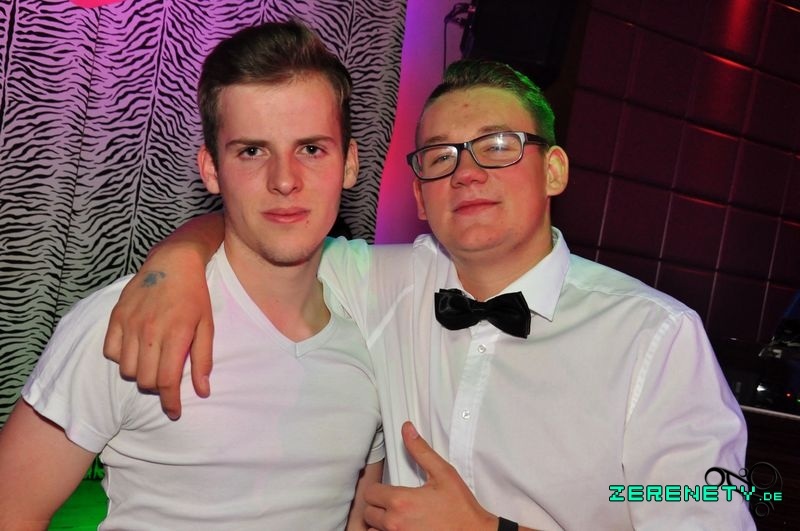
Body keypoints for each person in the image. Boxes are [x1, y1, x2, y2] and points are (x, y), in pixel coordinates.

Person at [102, 60, 755, 530]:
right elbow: (266, 226)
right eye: (440, 156)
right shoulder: (384, 282)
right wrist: (175, 261)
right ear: (419, 195)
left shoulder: (655, 340)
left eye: (497, 146)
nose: (465, 172)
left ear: (553, 169)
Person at [0, 21, 384, 530]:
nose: (284, 180)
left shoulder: (375, 332)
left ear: (350, 163)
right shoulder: (129, 319)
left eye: (311, 149)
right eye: (252, 151)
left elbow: (360, 514)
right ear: (211, 170)